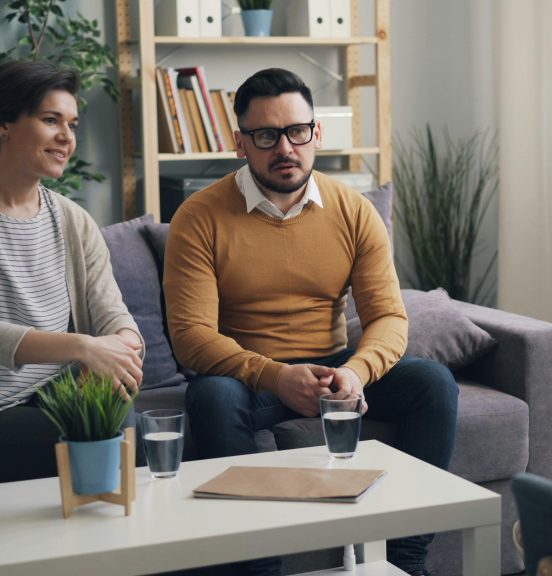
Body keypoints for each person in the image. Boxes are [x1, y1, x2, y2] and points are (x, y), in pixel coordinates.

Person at [163, 67, 458, 576]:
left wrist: (357, 373)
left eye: (298, 131)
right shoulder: (200, 216)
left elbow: (388, 316)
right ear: (240, 143)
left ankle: (406, 561)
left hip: (332, 365)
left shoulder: (354, 211)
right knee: (210, 395)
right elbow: (191, 338)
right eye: (266, 135)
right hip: (247, 375)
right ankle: (254, 568)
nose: (285, 148)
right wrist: (275, 375)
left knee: (433, 382)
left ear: (316, 133)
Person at [0, 60, 144, 485]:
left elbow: (115, 316)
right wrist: (84, 348)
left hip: (63, 394)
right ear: (2, 123)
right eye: (50, 120)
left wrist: (121, 350)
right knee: (84, 438)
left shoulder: (75, 220)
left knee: (117, 410)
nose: (67, 138)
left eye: (72, 124)